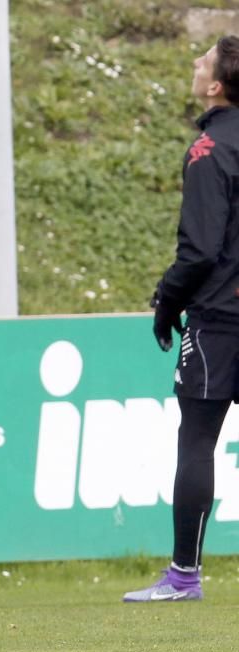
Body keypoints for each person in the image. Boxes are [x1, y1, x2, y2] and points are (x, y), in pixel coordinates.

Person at [124, 35, 239, 603]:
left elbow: (199, 250)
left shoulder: (208, 150)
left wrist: (167, 303)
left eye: (203, 61)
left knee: (197, 441)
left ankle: (184, 578)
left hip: (220, 319)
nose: (195, 65)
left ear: (216, 85)